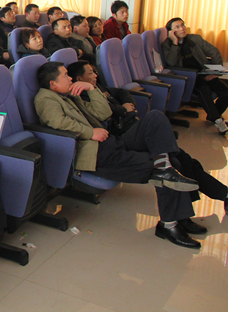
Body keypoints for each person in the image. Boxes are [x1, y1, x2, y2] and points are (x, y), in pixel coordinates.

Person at [34, 61, 204, 249]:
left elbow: (103, 113)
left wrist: (91, 89)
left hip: (112, 142)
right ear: (53, 83)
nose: (70, 78)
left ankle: (168, 178)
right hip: (98, 155)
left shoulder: (70, 96)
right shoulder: (45, 99)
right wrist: (91, 132)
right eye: (65, 75)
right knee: (172, 165)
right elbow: (57, 122)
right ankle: (170, 225)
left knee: (155, 118)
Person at [67, 60, 228, 235]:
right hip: (121, 135)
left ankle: (200, 207)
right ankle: (187, 214)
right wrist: (123, 109)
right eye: (90, 73)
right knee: (175, 162)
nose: (96, 75)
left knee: (182, 158)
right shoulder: (81, 95)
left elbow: (121, 92)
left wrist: (127, 103)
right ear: (79, 79)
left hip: (134, 129)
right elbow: (105, 113)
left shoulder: (97, 86)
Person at [161, 17, 228, 134]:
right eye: (177, 27)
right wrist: (175, 43)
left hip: (203, 73)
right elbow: (171, 62)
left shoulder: (195, 39)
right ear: (171, 32)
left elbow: (214, 52)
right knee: (204, 89)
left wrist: (215, 73)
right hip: (187, 77)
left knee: (226, 92)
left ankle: (213, 115)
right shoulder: (167, 44)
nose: (182, 28)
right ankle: (218, 121)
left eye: (183, 25)